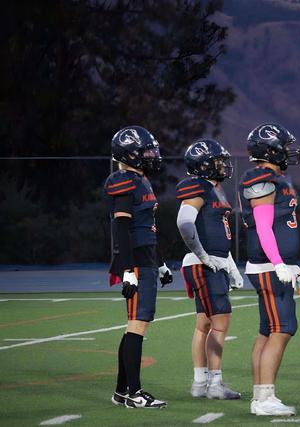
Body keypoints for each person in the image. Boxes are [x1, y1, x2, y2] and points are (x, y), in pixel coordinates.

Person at [105, 125, 173, 409]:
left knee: (135, 325)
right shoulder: (124, 181)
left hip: (146, 259)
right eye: (145, 151)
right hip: (135, 261)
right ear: (130, 154)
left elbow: (147, 229)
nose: (151, 156)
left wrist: (161, 263)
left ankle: (122, 391)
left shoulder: (140, 180)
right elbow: (122, 229)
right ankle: (134, 393)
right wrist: (128, 270)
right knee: (136, 325)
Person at [238, 123, 300, 416]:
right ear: (271, 150)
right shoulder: (261, 177)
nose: (288, 152)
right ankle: (265, 399)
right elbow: (263, 226)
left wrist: (288, 263)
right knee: (282, 329)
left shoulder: (275, 178)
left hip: (272, 265)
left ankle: (260, 396)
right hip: (268, 266)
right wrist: (278, 263)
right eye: (284, 147)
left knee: (267, 331)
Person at [175, 139, 244, 400]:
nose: (223, 166)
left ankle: (200, 382)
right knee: (220, 321)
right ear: (203, 165)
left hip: (215, 263)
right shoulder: (198, 187)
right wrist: (202, 255)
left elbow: (218, 235)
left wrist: (231, 267)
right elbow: (184, 223)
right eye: (218, 162)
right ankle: (214, 384)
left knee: (203, 324)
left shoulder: (215, 189)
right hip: (205, 265)